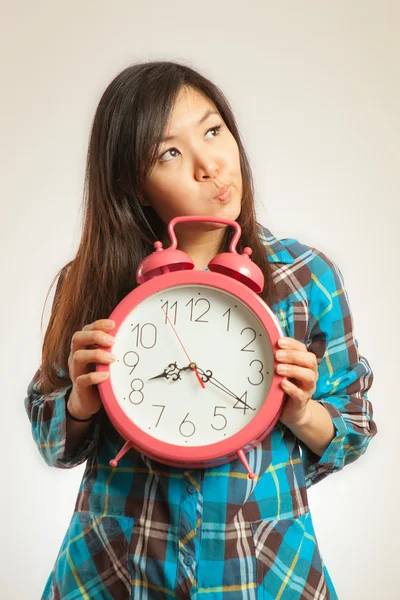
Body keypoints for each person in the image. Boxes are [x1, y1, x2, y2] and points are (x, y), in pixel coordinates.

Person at [25, 60, 377, 600]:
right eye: (170, 153)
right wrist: (78, 401)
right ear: (135, 186)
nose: (209, 165)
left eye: (213, 131)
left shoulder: (307, 279)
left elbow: (352, 428)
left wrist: (302, 413)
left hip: (259, 570)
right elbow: (52, 443)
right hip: (118, 569)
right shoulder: (95, 282)